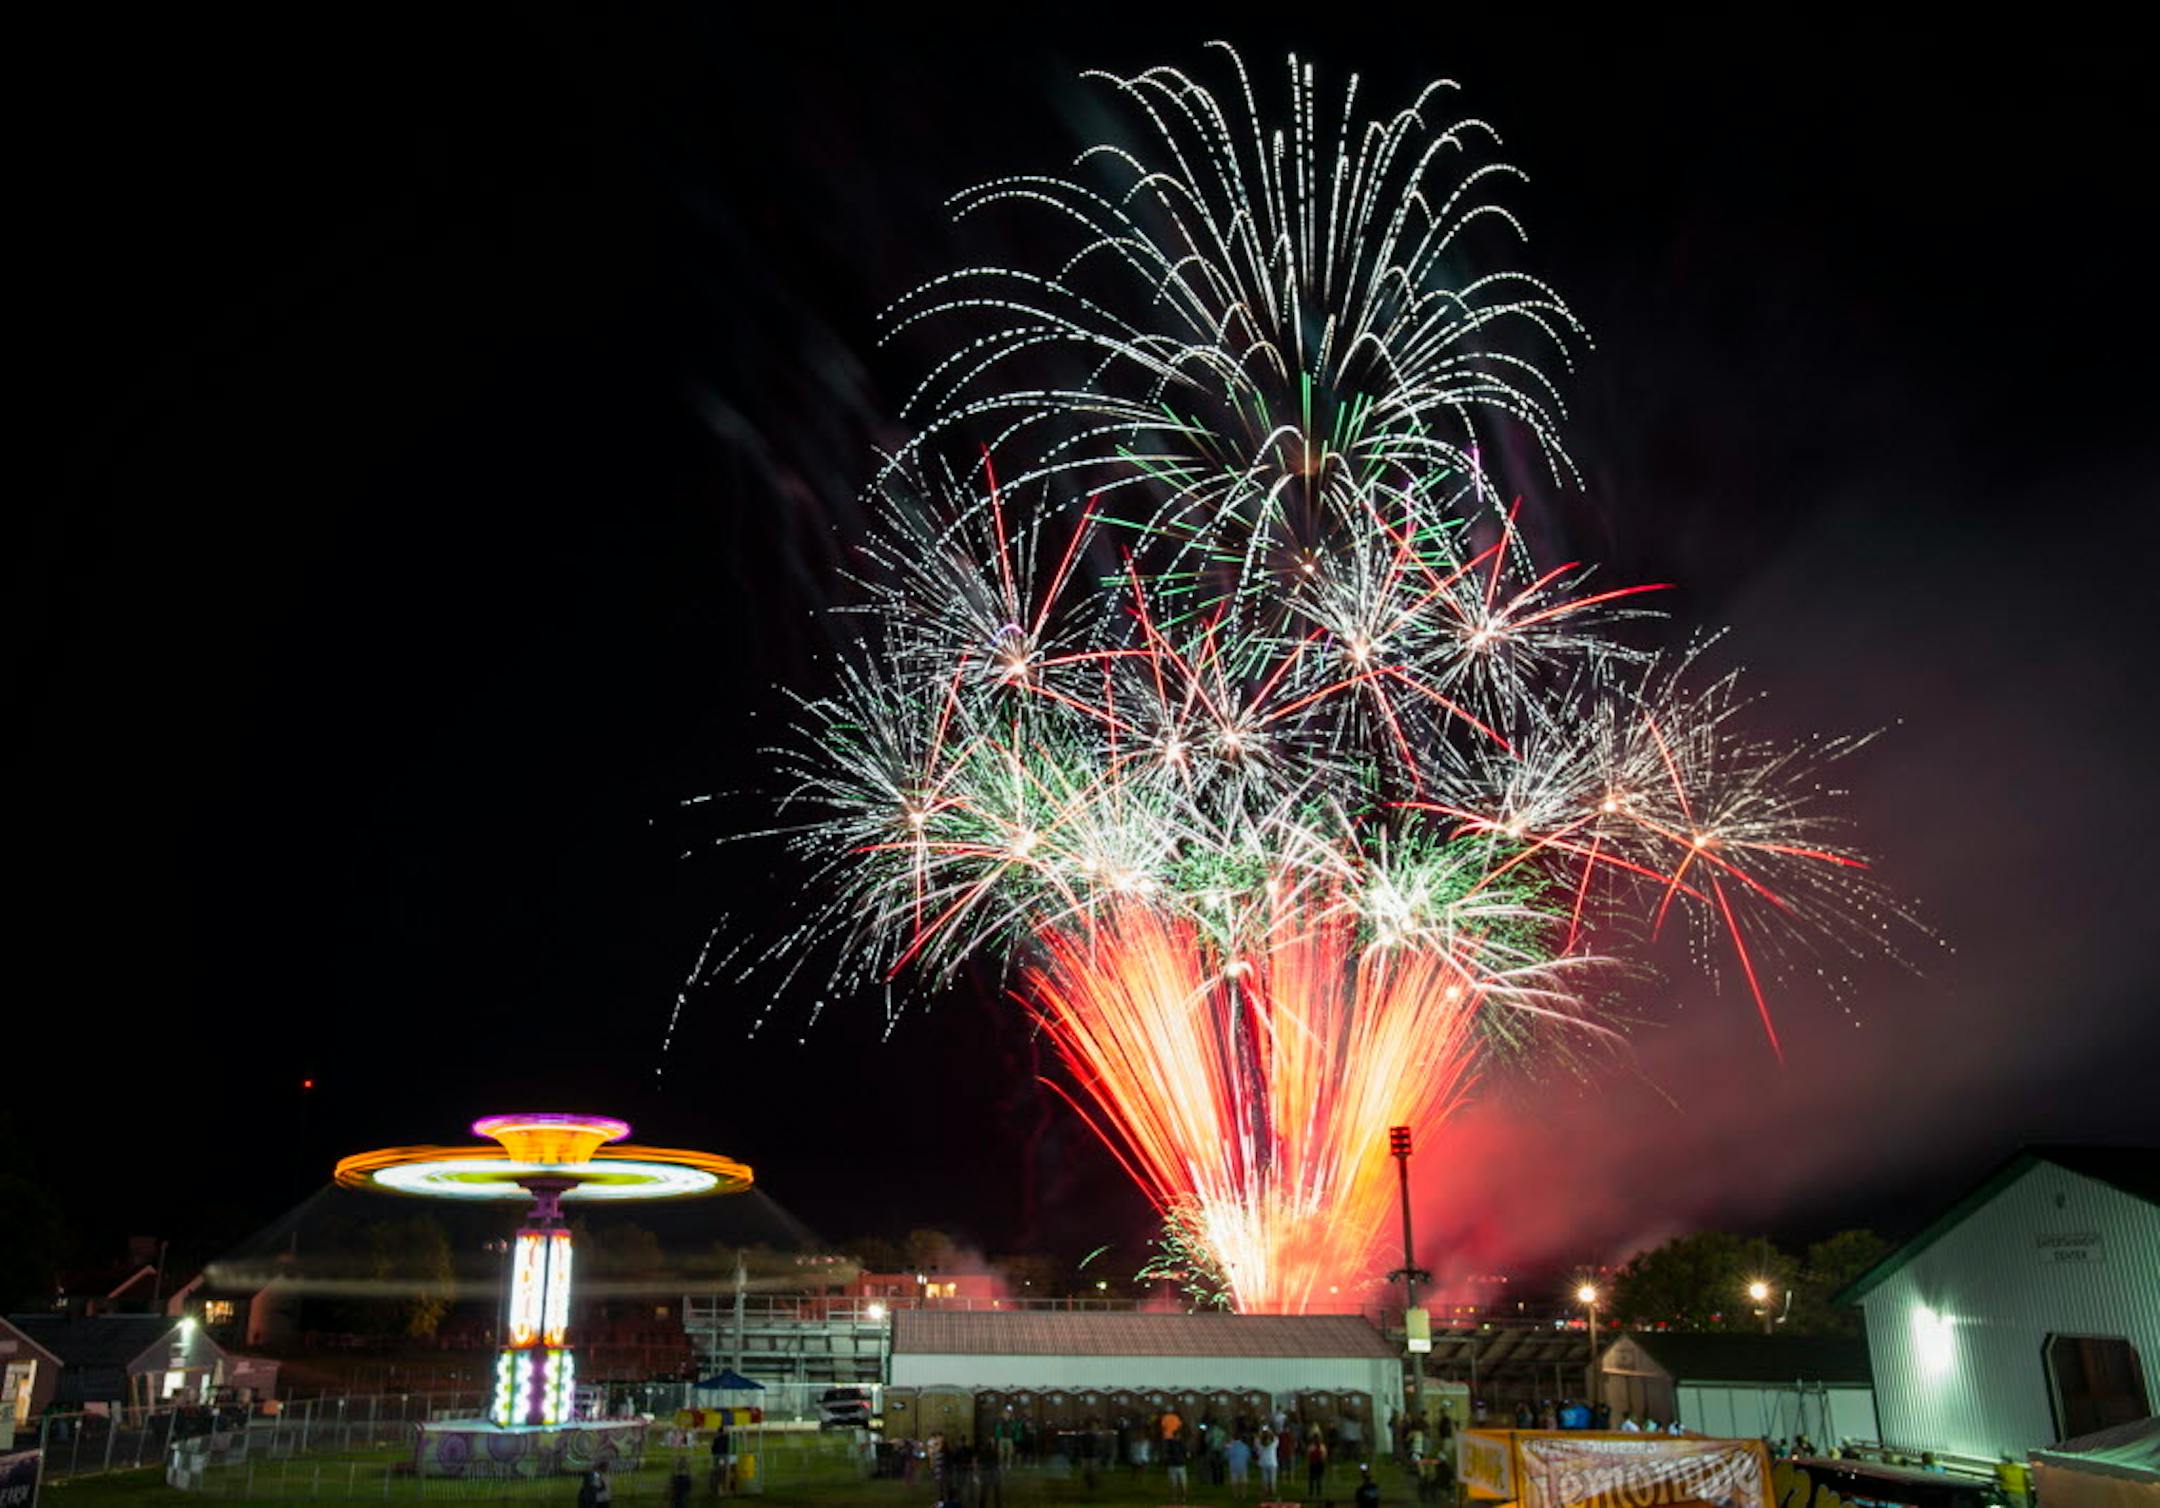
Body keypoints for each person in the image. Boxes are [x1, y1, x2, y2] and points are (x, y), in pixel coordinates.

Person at [709, 1422, 734, 1496]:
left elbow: (713, 1449)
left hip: (719, 1457)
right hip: (725, 1457)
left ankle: (720, 1489)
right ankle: (725, 1488)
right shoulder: (727, 1437)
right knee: (724, 1472)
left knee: (720, 1472)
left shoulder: (717, 1439)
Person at [1227, 1432, 1254, 1500]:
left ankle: (1235, 1495)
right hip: (1243, 1465)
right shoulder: (1245, 1446)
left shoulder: (1230, 1446)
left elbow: (1226, 1456)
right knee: (1243, 1481)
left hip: (1233, 1466)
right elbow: (1248, 1456)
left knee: (1234, 1482)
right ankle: (1243, 1495)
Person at [1165, 1432, 1191, 1503]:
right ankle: (1174, 1498)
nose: (1177, 1437)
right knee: (1173, 1484)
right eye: (1176, 1436)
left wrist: (1186, 1456)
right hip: (1173, 1466)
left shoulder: (1182, 1444)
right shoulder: (1170, 1444)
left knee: (1183, 1483)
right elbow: (1167, 1454)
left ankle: (1183, 1498)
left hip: (1181, 1466)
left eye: (1178, 1436)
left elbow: (1187, 1454)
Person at [1258, 1426, 1281, 1496]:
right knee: (1272, 1479)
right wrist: (1270, 1433)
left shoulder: (1260, 1444)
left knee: (1265, 1479)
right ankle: (1273, 1492)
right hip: (1272, 1463)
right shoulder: (1273, 1444)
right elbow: (1276, 1438)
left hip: (1264, 1463)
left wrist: (1262, 1434)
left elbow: (1257, 1440)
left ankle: (1265, 1492)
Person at [1306, 1432, 1329, 1499]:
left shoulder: (1312, 1447)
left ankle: (1312, 1493)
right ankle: (1317, 1493)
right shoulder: (1321, 1446)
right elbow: (1324, 1455)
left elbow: (1308, 1455)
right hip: (1318, 1463)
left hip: (1314, 1464)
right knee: (1318, 1479)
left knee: (1313, 1479)